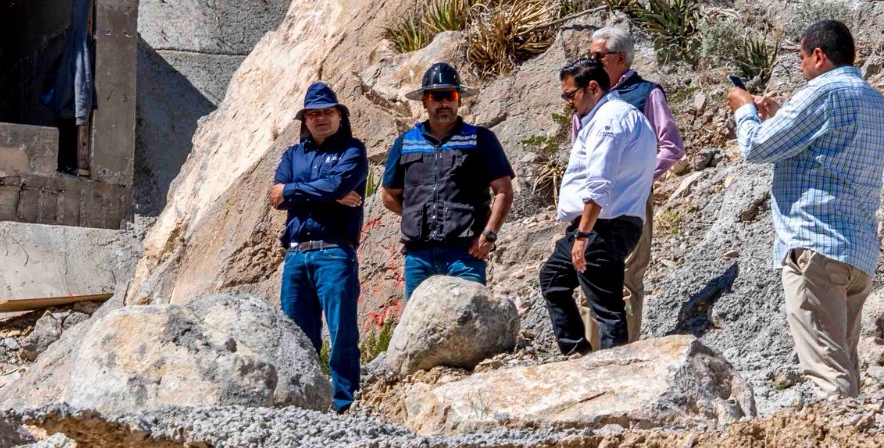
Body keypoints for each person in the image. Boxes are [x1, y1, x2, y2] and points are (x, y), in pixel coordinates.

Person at [727, 19, 884, 401]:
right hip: (858, 250)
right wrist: (783, 114)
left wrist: (743, 111)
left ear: (819, 55)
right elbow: (832, 149)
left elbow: (756, 148)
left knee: (826, 373)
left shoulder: (821, 92)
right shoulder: (873, 99)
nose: (799, 67)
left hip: (816, 245)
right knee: (843, 363)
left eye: (801, 57)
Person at [540, 58, 657, 355]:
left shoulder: (608, 120)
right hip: (603, 225)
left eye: (570, 95)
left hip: (602, 227)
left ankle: (612, 371)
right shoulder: (623, 116)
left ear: (592, 87)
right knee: (553, 278)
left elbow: (599, 184)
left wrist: (582, 235)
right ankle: (578, 354)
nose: (568, 102)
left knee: (606, 309)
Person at [577, 25, 685, 344]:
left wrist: (639, 177)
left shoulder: (647, 93)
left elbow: (672, 146)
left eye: (598, 56)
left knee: (625, 279)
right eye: (589, 56)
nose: (591, 62)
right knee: (587, 278)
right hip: (591, 203)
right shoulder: (587, 97)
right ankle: (588, 367)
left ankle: (623, 362)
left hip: (631, 203)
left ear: (620, 59)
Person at [269, 82, 368, 412]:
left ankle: (345, 403)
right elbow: (275, 197)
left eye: (327, 112)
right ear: (305, 120)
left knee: (341, 332)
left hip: (334, 252)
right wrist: (326, 193)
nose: (321, 118)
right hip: (296, 256)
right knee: (296, 336)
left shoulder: (353, 151)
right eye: (313, 114)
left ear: (339, 115)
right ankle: (303, 405)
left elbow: (336, 183)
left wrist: (295, 191)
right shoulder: (292, 154)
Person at [381, 63, 515, 298]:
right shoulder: (404, 143)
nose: (444, 103)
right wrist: (414, 216)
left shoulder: (480, 139)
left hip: (465, 254)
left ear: (459, 100)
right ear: (424, 102)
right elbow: (389, 196)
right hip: (418, 257)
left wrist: (489, 235)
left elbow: (503, 190)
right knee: (418, 328)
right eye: (436, 96)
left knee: (469, 324)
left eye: (450, 96)